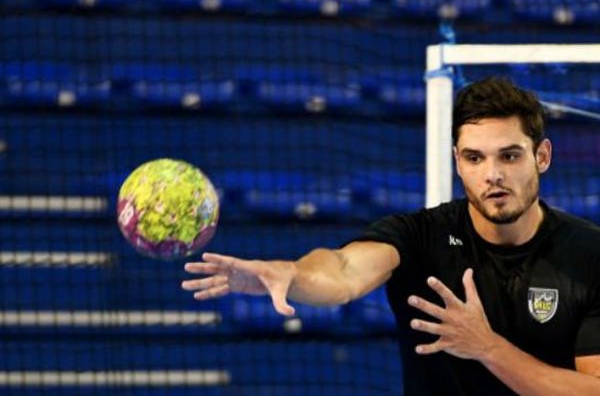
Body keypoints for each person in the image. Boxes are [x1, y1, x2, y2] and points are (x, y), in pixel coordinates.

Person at [181, 77, 600, 395]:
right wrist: (291, 273)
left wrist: (487, 348)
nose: (492, 174)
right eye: (475, 158)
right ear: (457, 161)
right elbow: (344, 269)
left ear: (541, 156)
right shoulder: (420, 236)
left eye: (509, 155)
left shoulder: (589, 254)